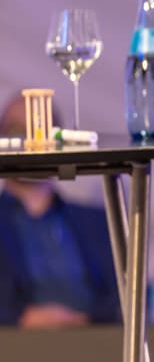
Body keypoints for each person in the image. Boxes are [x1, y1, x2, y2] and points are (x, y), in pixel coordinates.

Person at [0, 95, 120, 328]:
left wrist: (83, 321)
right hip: (13, 345)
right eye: (17, 131)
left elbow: (125, 297)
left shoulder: (96, 222)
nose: (30, 143)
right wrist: (21, 320)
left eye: (41, 131)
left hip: (96, 341)